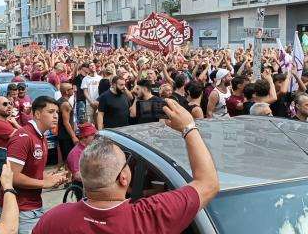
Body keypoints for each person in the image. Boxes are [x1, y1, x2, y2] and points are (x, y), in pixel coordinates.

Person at [33, 99, 219, 233]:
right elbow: (208, 184)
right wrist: (188, 127)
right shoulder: (150, 216)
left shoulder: (53, 220)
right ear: (123, 178)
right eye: (126, 163)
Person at [5, 96, 69, 233]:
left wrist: (50, 177)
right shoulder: (24, 137)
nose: (56, 116)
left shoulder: (41, 136)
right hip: (20, 209)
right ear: (38, 114)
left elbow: (31, 172)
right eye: (51, 112)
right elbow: (11, 176)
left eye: (57, 112)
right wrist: (44, 183)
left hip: (32, 207)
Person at [57, 83, 77, 161]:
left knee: (66, 160)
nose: (73, 90)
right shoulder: (65, 104)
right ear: (66, 92)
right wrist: (73, 136)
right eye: (71, 89)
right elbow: (66, 122)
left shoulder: (59, 101)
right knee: (70, 160)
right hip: (66, 135)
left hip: (62, 133)